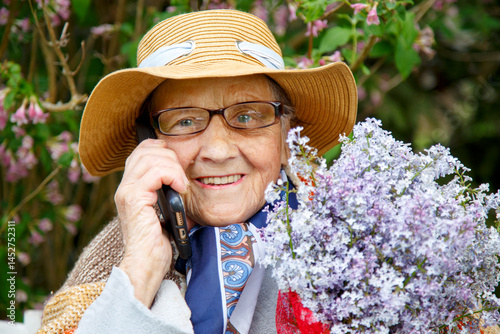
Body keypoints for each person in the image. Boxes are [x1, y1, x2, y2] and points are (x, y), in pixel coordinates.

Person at [37, 9, 357, 334]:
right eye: (185, 121)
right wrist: (141, 271)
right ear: (148, 141)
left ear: (289, 137)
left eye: (247, 116)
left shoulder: (354, 239)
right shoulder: (118, 252)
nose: (218, 152)